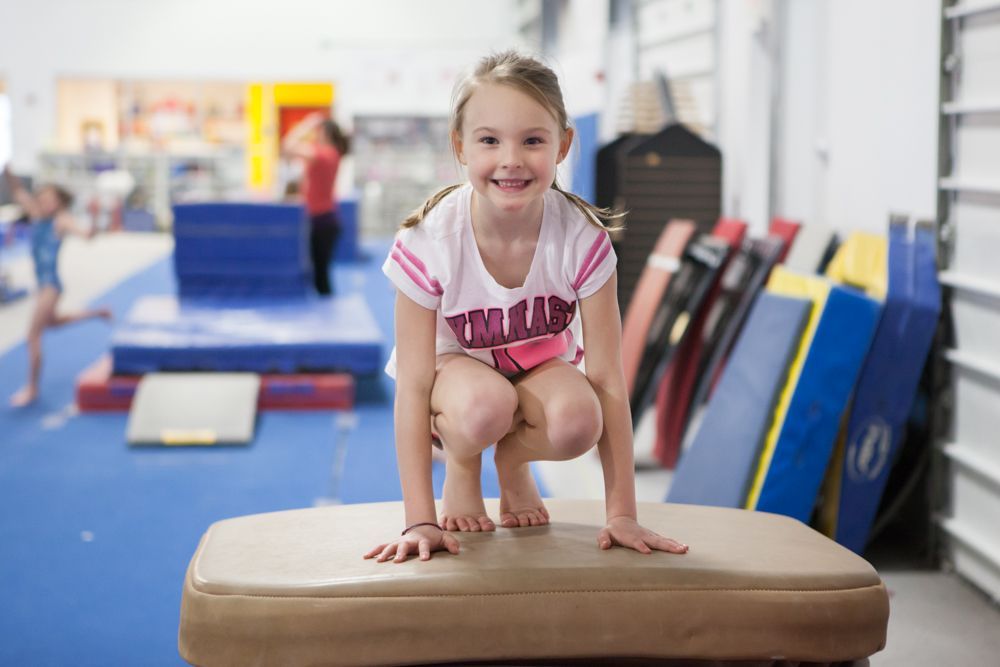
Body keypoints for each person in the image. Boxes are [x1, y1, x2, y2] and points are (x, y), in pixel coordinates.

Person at [365, 52, 690, 563]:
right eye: (490, 140)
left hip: (537, 367)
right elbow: (413, 384)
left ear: (562, 144)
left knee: (579, 419)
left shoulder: (581, 239)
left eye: (532, 140)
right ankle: (464, 461)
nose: (511, 159)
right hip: (456, 379)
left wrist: (622, 512)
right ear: (461, 146)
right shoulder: (431, 240)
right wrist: (419, 520)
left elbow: (607, 379)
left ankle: (513, 461)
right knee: (486, 407)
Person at [3, 165, 111, 407]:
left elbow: (88, 236)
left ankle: (32, 388)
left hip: (51, 286)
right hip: (42, 285)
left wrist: (94, 216)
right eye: (41, 198)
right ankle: (98, 312)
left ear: (60, 203)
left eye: (49, 200)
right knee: (53, 323)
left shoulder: (61, 221)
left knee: (33, 335)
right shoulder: (35, 214)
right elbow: (18, 190)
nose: (43, 203)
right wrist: (7, 169)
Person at [281, 112, 348, 296]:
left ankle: (328, 312)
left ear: (325, 134)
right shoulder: (328, 154)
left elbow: (287, 145)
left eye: (319, 131)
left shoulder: (325, 154)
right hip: (321, 219)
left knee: (321, 274)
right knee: (319, 273)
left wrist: (307, 125)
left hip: (324, 221)